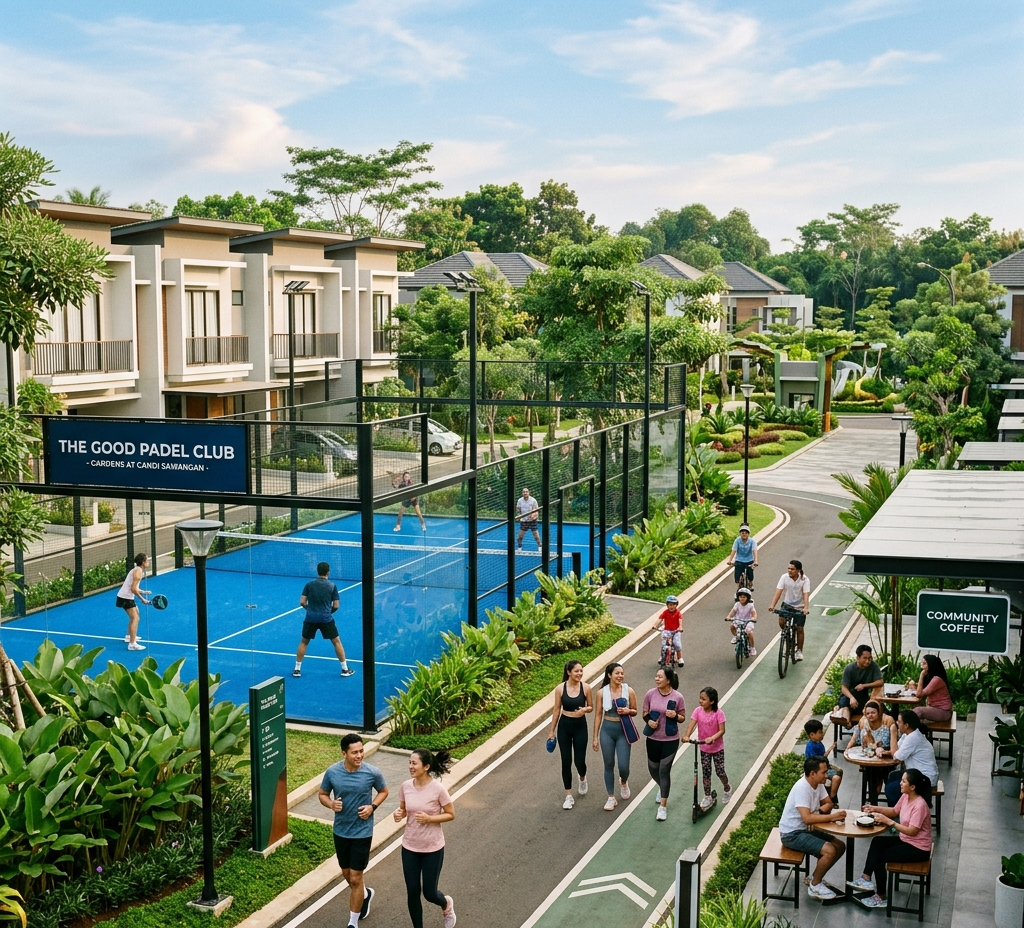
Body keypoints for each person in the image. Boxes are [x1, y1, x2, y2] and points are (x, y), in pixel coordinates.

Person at [319, 734, 389, 926]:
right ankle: (365, 894)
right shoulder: (332, 772)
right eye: (354, 752)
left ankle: (352, 922)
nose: (359, 755)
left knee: (356, 878)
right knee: (347, 875)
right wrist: (331, 804)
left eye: (361, 751)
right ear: (344, 753)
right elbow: (323, 794)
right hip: (341, 831)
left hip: (362, 832)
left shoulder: (372, 773)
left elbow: (384, 791)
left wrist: (372, 807)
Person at [849, 768, 933, 909]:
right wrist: (874, 808)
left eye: (904, 781)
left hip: (918, 848)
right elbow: (894, 811)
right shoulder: (906, 796)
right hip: (906, 840)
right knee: (877, 842)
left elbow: (912, 831)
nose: (900, 783)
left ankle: (881, 896)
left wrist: (889, 822)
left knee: (881, 857)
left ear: (912, 787)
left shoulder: (920, 805)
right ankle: (865, 877)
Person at [394, 748, 458, 928]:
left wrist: (430, 819)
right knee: (413, 891)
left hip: (432, 848)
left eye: (414, 763)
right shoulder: (405, 786)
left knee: (429, 893)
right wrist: (399, 814)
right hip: (410, 846)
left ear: (426, 766)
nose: (410, 766)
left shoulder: (438, 789)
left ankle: (446, 904)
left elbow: (451, 814)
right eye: (409, 762)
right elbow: (404, 809)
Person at [778, 756, 847, 901]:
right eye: (824, 772)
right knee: (829, 850)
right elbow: (807, 818)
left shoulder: (818, 784)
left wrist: (818, 814)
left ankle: (814, 877)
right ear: (812, 773)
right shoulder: (802, 788)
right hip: (791, 834)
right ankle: (815, 885)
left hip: (806, 829)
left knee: (840, 846)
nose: (827, 775)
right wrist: (832, 817)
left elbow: (828, 803)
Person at [294, 562, 354, 677]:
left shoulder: (309, 585)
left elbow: (302, 602)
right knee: (336, 642)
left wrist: (310, 609)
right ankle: (345, 669)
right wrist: (328, 612)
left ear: (317, 571)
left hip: (310, 618)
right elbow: (336, 605)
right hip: (326, 619)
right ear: (328, 572)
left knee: (304, 642)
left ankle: (297, 670)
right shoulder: (332, 586)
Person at [547, 660, 593, 809]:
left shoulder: (586, 687)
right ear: (569, 672)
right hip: (564, 727)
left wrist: (584, 710)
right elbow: (556, 710)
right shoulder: (560, 689)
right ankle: (568, 796)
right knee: (566, 761)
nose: (579, 673)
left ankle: (582, 777)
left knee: (579, 761)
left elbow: (591, 707)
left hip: (580, 727)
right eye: (576, 671)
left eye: (581, 671)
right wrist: (551, 731)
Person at [592, 662, 637, 811]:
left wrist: (628, 711)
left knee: (624, 766)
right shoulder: (601, 693)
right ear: (609, 675)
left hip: (623, 731)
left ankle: (623, 781)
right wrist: (595, 737)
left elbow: (635, 711)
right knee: (608, 764)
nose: (620, 676)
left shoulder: (629, 690)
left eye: (622, 673)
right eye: (617, 673)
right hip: (607, 731)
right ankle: (611, 797)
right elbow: (598, 715)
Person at [642, 667, 684, 821]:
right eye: (656, 676)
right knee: (653, 769)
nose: (657, 679)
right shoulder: (650, 694)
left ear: (668, 680)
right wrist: (649, 721)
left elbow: (682, 717)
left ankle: (663, 807)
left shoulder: (678, 697)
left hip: (670, 740)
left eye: (660, 677)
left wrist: (675, 715)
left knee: (664, 770)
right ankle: (662, 787)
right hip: (653, 738)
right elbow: (645, 713)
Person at [683, 686, 732, 808]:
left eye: (704, 699)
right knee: (706, 772)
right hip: (704, 748)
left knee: (720, 771)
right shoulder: (697, 711)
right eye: (700, 698)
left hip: (717, 748)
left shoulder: (719, 713)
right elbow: (692, 724)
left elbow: (722, 730)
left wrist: (712, 738)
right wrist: (687, 736)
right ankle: (707, 796)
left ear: (712, 701)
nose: (700, 701)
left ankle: (727, 788)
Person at [878, 710, 938, 807]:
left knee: (892, 788)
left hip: (925, 778)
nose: (897, 723)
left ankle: (897, 810)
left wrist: (893, 732)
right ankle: (898, 806)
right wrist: (884, 752)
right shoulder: (907, 735)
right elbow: (897, 749)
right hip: (915, 773)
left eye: (899, 721)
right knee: (893, 776)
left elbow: (897, 757)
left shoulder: (913, 738)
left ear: (906, 725)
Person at [768, 560, 811, 662]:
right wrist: (772, 605)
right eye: (788, 568)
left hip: (799, 606)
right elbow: (778, 591)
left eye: (792, 569)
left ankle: (799, 651)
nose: (789, 571)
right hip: (787, 604)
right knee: (781, 621)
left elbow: (806, 594)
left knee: (799, 628)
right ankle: (787, 637)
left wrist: (805, 607)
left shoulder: (805, 580)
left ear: (798, 570)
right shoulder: (784, 577)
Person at [834, 644, 884, 727]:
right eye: (865, 658)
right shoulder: (849, 668)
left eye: (869, 658)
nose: (867, 661)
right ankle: (847, 722)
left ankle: (838, 712)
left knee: (873, 707)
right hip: (849, 696)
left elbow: (880, 682)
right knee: (845, 706)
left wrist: (864, 685)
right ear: (858, 658)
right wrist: (851, 698)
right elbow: (844, 688)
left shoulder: (873, 666)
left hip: (863, 697)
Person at [116, 552, 151, 651]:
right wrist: (143, 599)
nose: (148, 561)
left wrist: (144, 592)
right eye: (147, 560)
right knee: (135, 618)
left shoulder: (137, 570)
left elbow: (134, 587)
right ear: (143, 562)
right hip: (125, 597)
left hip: (125, 596)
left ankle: (129, 636)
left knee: (136, 613)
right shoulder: (138, 572)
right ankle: (132, 644)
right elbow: (133, 589)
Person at [803, 719, 842, 802]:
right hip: (818, 768)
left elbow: (823, 756)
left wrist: (831, 748)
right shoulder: (810, 746)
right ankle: (832, 798)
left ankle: (832, 794)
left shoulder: (818, 743)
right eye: (820, 732)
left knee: (839, 771)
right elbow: (817, 761)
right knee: (836, 778)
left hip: (824, 765)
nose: (822, 734)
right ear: (812, 734)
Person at [907, 654, 953, 723]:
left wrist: (921, 675)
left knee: (918, 711)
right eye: (922, 663)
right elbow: (921, 690)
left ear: (931, 665)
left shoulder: (937, 679)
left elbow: (919, 694)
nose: (922, 666)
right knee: (908, 713)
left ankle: (905, 728)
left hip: (943, 711)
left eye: (924, 664)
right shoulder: (932, 677)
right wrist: (914, 685)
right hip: (935, 709)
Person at [653, 595, 684, 667]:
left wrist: (680, 627)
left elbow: (680, 620)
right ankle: (662, 657)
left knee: (677, 644)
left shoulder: (678, 613)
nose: (672, 606)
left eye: (674, 604)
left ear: (676, 605)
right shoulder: (665, 612)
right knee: (664, 645)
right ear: (667, 605)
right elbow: (660, 619)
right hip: (667, 631)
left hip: (676, 631)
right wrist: (655, 625)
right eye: (670, 604)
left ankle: (680, 658)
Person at [726, 523, 758, 590]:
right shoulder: (737, 540)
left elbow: (754, 551)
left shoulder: (752, 541)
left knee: (750, 573)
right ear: (740, 533)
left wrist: (755, 561)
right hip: (739, 560)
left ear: (748, 534)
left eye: (746, 533)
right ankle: (738, 585)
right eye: (742, 533)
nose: (744, 534)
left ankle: (750, 583)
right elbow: (734, 550)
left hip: (749, 559)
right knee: (737, 573)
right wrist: (730, 560)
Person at [725, 588, 757, 656]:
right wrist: (729, 616)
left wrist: (754, 618)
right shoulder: (737, 604)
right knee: (732, 626)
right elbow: (733, 611)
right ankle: (736, 636)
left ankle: (752, 648)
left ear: (747, 598)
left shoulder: (750, 605)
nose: (742, 599)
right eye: (740, 597)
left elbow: (754, 613)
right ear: (738, 597)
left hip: (748, 621)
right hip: (738, 620)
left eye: (744, 597)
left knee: (749, 633)